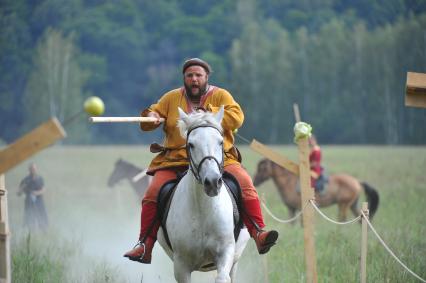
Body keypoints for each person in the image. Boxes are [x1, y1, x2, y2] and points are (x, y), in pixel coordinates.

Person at [124, 58, 279, 264]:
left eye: (199, 75)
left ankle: (258, 233)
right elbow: (151, 117)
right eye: (190, 76)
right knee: (152, 193)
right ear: (184, 79)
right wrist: (152, 116)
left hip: (218, 158)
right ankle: (144, 245)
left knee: (245, 183)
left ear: (206, 77)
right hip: (175, 160)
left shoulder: (221, 95)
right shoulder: (171, 98)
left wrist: (208, 114)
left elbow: (237, 117)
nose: (194, 79)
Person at [17, 163, 49, 231]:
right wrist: (22, 188)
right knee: (29, 217)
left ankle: (43, 230)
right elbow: (18, 193)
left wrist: (36, 193)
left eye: (34, 169)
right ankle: (30, 231)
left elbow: (43, 190)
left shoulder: (40, 178)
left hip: (39, 201)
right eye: (31, 169)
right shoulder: (25, 179)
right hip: (29, 202)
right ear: (29, 170)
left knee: (42, 216)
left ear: (36, 169)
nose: (33, 170)